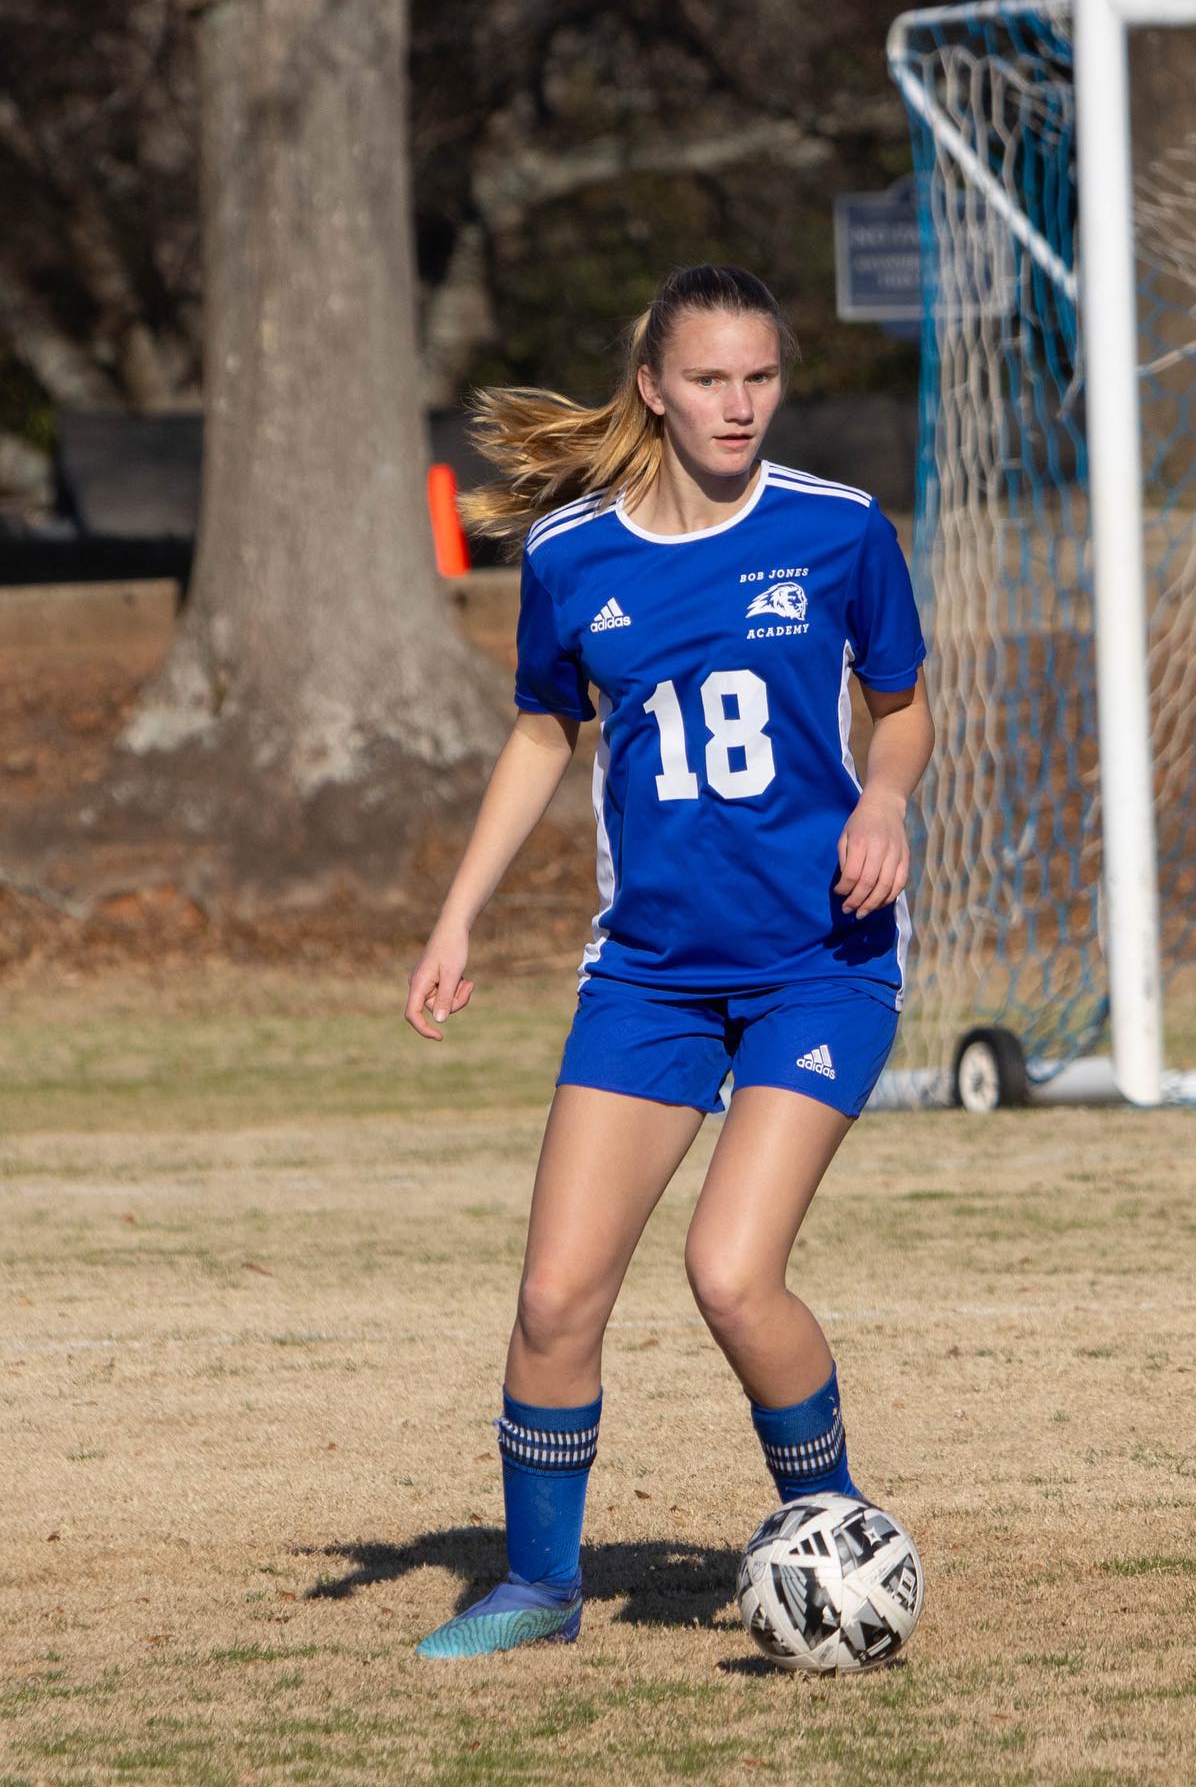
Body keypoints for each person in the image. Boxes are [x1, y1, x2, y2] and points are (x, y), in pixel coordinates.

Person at [404, 264, 934, 1659]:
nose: (739, 404)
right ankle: (537, 1588)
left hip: (820, 964)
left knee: (728, 1272)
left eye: (760, 377)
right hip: (647, 977)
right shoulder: (575, 555)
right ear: (655, 382)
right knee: (555, 1295)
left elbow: (905, 711)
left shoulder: (837, 530)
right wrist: (458, 915)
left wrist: (883, 800)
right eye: (710, 379)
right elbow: (540, 734)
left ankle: (835, 1541)